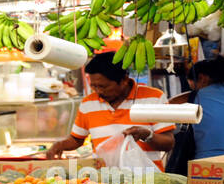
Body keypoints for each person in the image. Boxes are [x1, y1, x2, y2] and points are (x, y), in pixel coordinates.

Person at [43, 52, 176, 169]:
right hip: (104, 183)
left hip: (148, 181)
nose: (98, 91)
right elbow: (77, 139)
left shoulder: (154, 98)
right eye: (94, 86)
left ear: (124, 80)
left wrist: (146, 135)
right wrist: (59, 145)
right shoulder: (88, 103)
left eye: (103, 86)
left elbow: (168, 143)